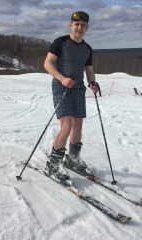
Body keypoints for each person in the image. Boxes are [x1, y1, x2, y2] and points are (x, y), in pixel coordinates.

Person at [44, 11, 98, 182]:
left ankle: (73, 159)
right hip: (61, 87)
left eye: (83, 25)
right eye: (77, 24)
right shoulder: (60, 42)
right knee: (66, 126)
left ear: (86, 28)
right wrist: (62, 78)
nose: (79, 27)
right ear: (71, 25)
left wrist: (92, 83)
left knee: (78, 127)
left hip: (78, 89)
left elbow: (89, 70)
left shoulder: (87, 49)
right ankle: (53, 164)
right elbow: (48, 63)